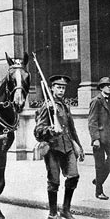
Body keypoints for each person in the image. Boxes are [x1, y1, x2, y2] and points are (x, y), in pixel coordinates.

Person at [34, 75, 85, 219]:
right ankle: (52, 213)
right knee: (54, 181)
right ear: (52, 88)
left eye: (63, 88)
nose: (61, 90)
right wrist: (50, 130)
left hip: (68, 146)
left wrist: (78, 146)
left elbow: (71, 128)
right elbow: (37, 131)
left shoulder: (65, 105)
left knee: (73, 176)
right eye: (58, 87)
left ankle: (66, 210)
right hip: (53, 148)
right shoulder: (47, 107)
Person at [88, 76, 110, 200]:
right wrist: (95, 138)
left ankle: (98, 179)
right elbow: (92, 122)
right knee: (99, 165)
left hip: (109, 138)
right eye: (107, 85)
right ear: (101, 87)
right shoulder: (96, 101)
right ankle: (99, 191)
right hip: (99, 138)